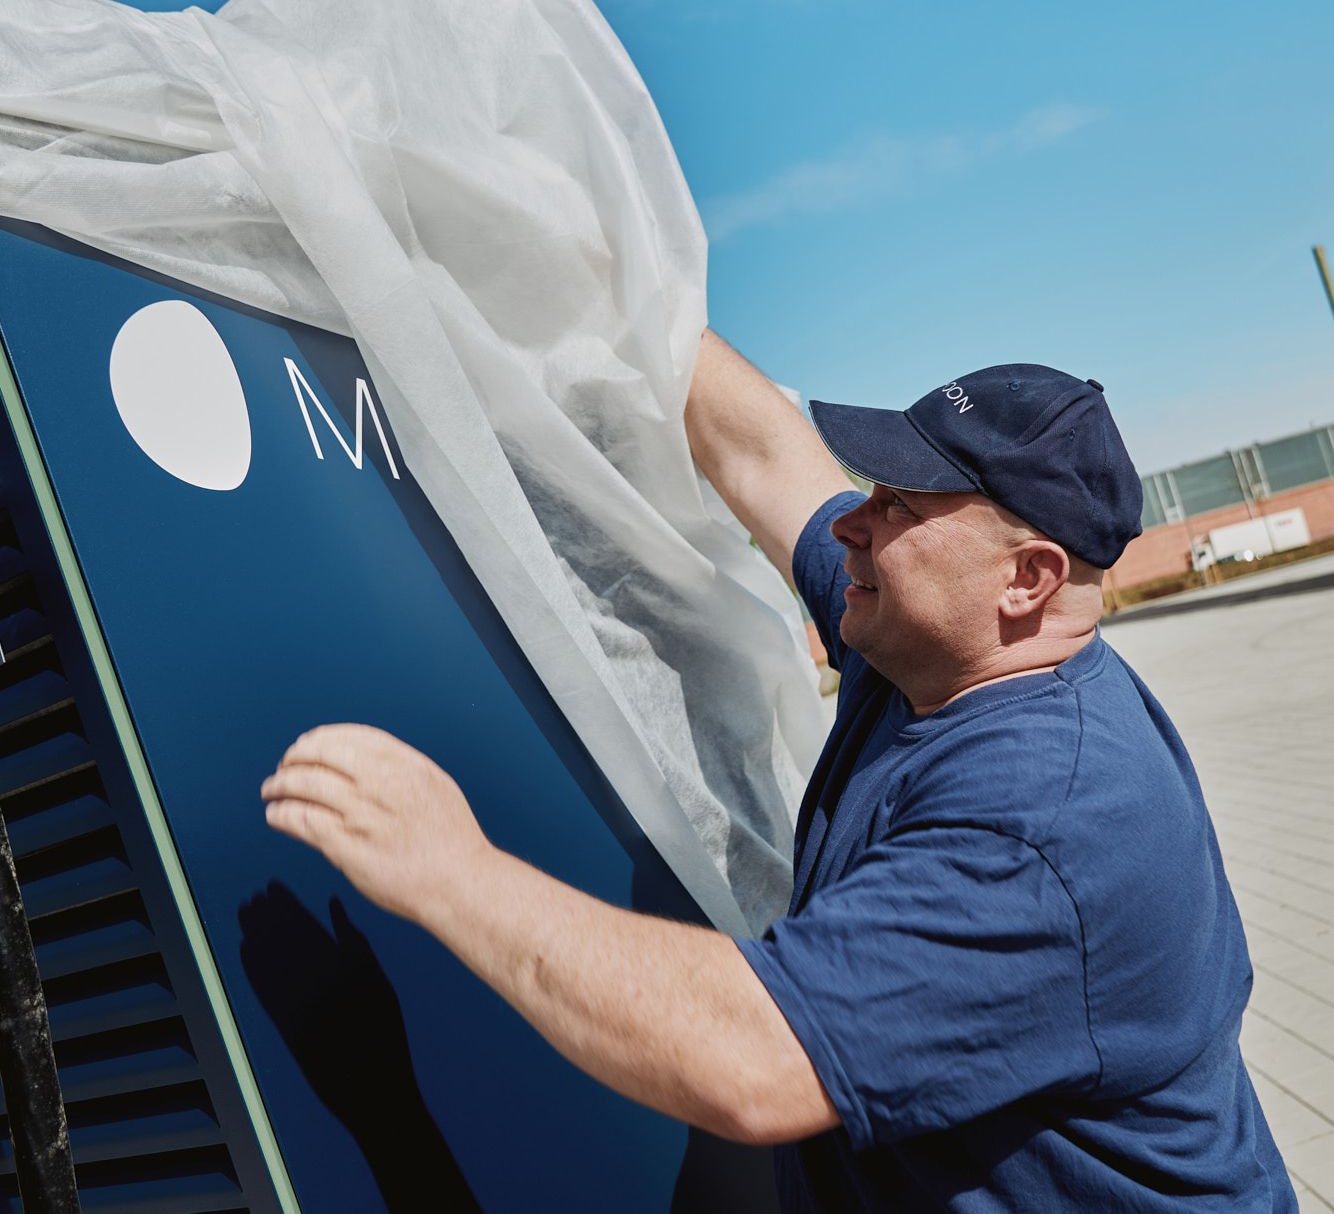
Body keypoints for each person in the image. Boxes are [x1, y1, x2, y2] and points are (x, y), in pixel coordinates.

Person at [261, 331, 1296, 1211]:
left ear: (1023, 579)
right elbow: (759, 449)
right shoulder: (920, 646)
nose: (853, 518)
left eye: (900, 503)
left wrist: (449, 868)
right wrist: (587, 248)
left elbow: (752, 1059)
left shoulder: (1047, 824)